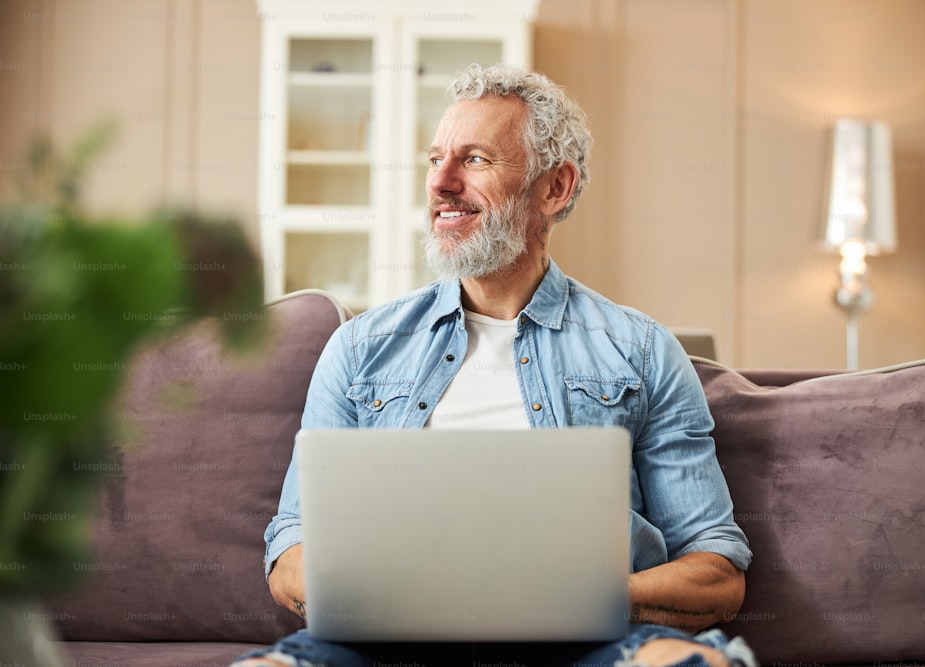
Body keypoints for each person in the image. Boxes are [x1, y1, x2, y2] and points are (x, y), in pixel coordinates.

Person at [232, 63, 755, 667]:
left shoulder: (641, 349)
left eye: (475, 160)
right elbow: (291, 550)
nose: (441, 183)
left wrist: (574, 599)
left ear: (554, 188)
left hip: (586, 638)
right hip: (390, 640)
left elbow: (716, 573)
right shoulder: (359, 348)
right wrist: (392, 598)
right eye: (435, 160)